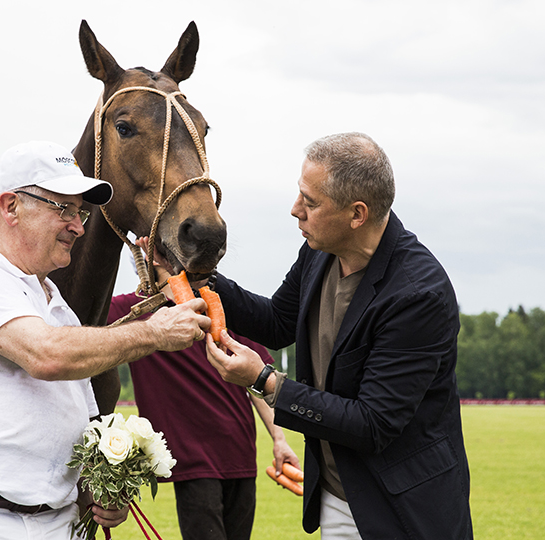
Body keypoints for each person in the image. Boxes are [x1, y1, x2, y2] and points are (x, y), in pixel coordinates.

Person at [0, 141, 213, 540]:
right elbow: (46, 355)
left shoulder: (56, 306)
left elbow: (68, 424)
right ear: (10, 207)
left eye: (80, 212)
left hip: (51, 524)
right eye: (63, 209)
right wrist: (154, 332)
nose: (79, 226)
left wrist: (101, 487)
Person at [203, 132, 473, 539]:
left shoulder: (419, 294)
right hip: (334, 496)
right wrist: (200, 276)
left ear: (357, 214)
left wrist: (264, 381)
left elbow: (372, 423)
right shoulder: (319, 251)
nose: (295, 211)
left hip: (405, 509)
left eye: (310, 202)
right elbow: (278, 321)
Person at [108, 288, 300, 540]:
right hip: (193, 458)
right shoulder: (135, 310)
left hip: (240, 451)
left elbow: (256, 380)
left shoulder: (221, 303)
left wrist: (279, 439)